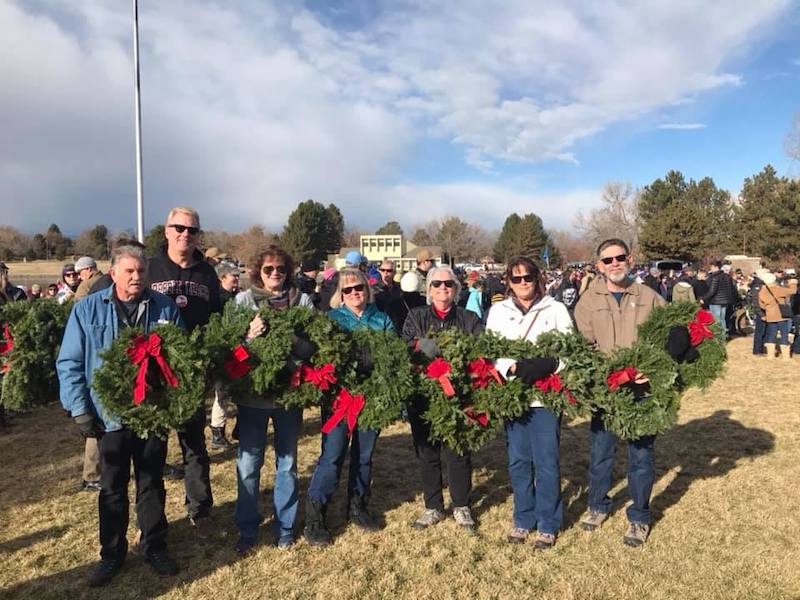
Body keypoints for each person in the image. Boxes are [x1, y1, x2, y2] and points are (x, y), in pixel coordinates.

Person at [56, 244, 184, 587]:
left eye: (141, 272)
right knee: (112, 488)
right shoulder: (87, 310)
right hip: (108, 416)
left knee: (151, 483)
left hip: (151, 414)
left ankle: (154, 544)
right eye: (128, 271)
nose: (136, 277)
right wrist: (80, 409)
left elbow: (182, 357)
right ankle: (112, 554)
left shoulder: (165, 309)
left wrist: (172, 400)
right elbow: (69, 362)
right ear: (113, 273)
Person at [574, 239, 667, 547]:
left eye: (620, 257)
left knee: (641, 455)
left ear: (630, 259)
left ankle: (639, 516)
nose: (614, 263)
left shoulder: (650, 297)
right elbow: (583, 347)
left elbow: (664, 342)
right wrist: (600, 375)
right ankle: (598, 505)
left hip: (642, 390)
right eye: (607, 259)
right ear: (599, 265)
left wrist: (649, 371)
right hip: (606, 390)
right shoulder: (588, 300)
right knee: (601, 451)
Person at [304, 268, 395, 546]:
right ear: (340, 295)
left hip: (372, 399)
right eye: (348, 290)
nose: (355, 293)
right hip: (340, 400)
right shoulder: (331, 321)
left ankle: (357, 505)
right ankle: (316, 514)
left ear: (367, 290)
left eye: (359, 288)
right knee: (332, 455)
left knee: (364, 455)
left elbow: (394, 355)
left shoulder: (381, 319)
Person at [233, 245, 315, 553]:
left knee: (288, 463)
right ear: (258, 271)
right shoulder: (242, 301)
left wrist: (293, 339)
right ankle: (247, 528)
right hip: (252, 398)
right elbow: (230, 349)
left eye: (281, 268)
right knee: (249, 464)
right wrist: (250, 336)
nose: (275, 274)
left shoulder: (302, 301)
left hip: (288, 397)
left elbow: (313, 345)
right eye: (268, 269)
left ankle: (285, 527)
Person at [486, 257, 572, 549]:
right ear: (508, 282)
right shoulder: (498, 311)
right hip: (513, 395)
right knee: (519, 461)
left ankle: (548, 522)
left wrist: (551, 365)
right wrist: (510, 368)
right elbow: (491, 350)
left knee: (546, 461)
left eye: (528, 278)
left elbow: (570, 351)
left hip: (545, 397)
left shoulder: (556, 309)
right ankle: (523, 519)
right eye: (516, 278)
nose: (523, 283)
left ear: (538, 278)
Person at [147, 207, 220, 531]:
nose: (185, 234)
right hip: (154, 373)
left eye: (192, 230)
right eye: (179, 228)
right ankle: (152, 519)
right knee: (153, 448)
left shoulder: (207, 272)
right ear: (166, 230)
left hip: (193, 374)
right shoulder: (150, 268)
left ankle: (200, 509)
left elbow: (220, 316)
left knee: (194, 444)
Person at [402, 266, 483, 533]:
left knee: (458, 451)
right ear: (429, 289)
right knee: (427, 451)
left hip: (459, 396)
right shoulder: (416, 316)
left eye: (448, 284)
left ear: (457, 289)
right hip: (424, 395)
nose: (442, 288)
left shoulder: (469, 318)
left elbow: (478, 352)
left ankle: (461, 505)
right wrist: (429, 349)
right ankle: (433, 505)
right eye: (437, 284)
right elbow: (407, 348)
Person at [209, 262, 240, 451]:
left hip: (237, 351)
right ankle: (217, 433)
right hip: (223, 351)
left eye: (237, 276)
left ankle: (239, 429)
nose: (236, 279)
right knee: (222, 392)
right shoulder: (218, 299)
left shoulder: (236, 297)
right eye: (233, 276)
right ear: (222, 278)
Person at [758, 270, 798, 360]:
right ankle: (785, 357)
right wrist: (793, 283)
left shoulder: (762, 291)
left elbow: (761, 305)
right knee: (784, 334)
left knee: (772, 334)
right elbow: (793, 291)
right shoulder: (777, 289)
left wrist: (768, 307)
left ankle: (770, 356)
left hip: (770, 315)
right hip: (781, 315)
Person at [702, 261, 737, 338]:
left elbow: (712, 291)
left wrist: (703, 298)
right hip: (725, 301)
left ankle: (717, 336)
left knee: (716, 320)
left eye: (711, 267)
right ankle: (723, 336)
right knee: (722, 319)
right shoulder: (727, 277)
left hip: (715, 301)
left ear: (715, 267)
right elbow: (732, 289)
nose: (710, 269)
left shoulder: (714, 277)